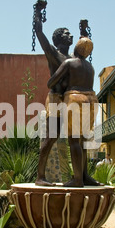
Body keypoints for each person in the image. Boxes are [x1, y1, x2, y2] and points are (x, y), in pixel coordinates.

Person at [46, 37, 102, 187]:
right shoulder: (90, 67)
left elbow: (50, 82)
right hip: (92, 99)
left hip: (76, 98)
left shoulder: (69, 63)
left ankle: (77, 180)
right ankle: (84, 176)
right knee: (83, 140)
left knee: (74, 140)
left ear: (76, 48)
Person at [33, 0, 73, 187]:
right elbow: (39, 33)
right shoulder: (53, 54)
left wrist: (84, 31)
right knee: (51, 137)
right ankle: (40, 176)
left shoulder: (74, 59)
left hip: (71, 100)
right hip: (56, 99)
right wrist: (38, 12)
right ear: (58, 40)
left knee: (77, 138)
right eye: (66, 34)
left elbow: (85, 47)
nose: (70, 35)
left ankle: (81, 176)